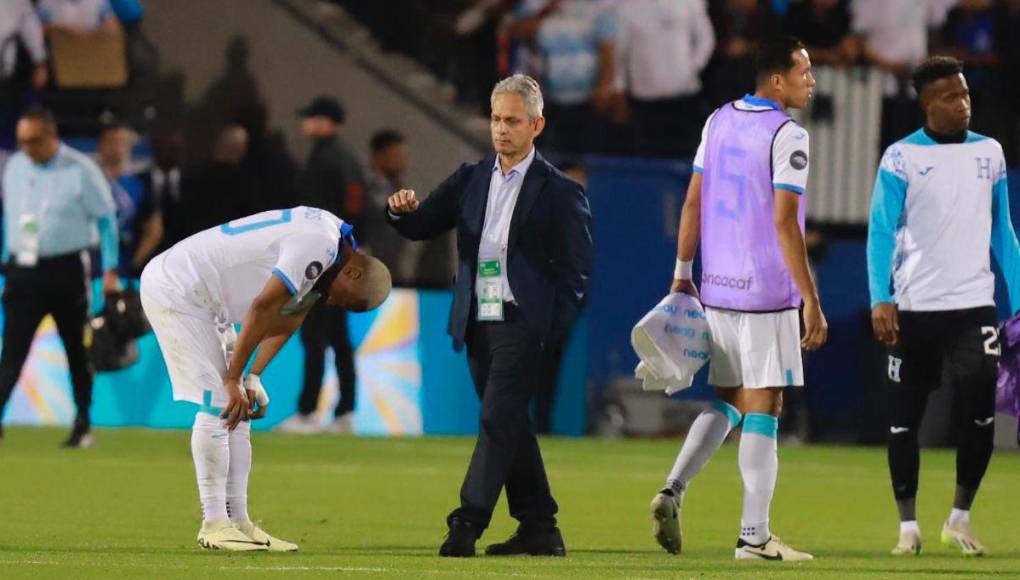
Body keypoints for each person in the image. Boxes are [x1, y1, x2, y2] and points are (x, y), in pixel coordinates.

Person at [386, 74, 592, 557]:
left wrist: (550, 330)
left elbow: (577, 271)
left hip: (524, 324)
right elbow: (422, 224)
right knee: (510, 424)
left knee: (497, 420)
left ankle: (466, 523)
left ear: (537, 124)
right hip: (478, 321)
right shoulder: (471, 177)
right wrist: (400, 210)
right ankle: (540, 527)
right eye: (496, 119)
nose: (501, 129)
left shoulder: (559, 191)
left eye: (512, 121)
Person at [650, 37, 825, 561]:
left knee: (727, 398)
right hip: (768, 292)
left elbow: (693, 201)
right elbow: (784, 223)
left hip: (720, 287)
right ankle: (755, 537)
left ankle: (673, 489)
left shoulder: (717, 121)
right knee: (765, 405)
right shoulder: (789, 134)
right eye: (805, 71)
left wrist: (683, 273)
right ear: (777, 81)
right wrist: (810, 300)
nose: (812, 81)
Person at [139, 205, 391, 551]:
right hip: (178, 288)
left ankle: (239, 522)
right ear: (355, 274)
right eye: (345, 301)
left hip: (205, 299)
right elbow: (263, 307)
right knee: (221, 402)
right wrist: (232, 377)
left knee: (241, 405)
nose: (334, 303)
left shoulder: (334, 249)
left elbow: (292, 315)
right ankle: (213, 524)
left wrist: (252, 375)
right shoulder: (320, 246)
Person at [866, 56, 1018, 557]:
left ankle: (959, 517)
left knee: (981, 417)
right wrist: (880, 297)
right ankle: (908, 527)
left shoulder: (990, 153)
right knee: (903, 419)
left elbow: (1004, 233)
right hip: (914, 307)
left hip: (974, 306)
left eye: (966, 94)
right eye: (952, 97)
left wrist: (1017, 305)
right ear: (928, 105)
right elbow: (881, 232)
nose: (963, 103)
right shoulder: (901, 158)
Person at [0, 106, 121, 446]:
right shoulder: (15, 167)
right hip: (22, 269)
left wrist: (110, 269)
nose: (27, 148)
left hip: (66, 270)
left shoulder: (80, 170)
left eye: (34, 141)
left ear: (53, 136)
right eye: (22, 141)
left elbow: (106, 220)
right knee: (12, 349)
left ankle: (82, 423)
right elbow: (11, 217)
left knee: (76, 350)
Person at [277, 95, 366, 434]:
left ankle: (309, 411)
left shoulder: (328, 160)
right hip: (338, 256)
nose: (306, 123)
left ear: (328, 122)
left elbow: (342, 207)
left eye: (312, 117)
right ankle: (344, 412)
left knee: (315, 333)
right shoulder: (341, 158)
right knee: (337, 336)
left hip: (326, 260)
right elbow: (357, 205)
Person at [613, 0, 715, 158]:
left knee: (688, 158)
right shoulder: (627, 7)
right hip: (644, 99)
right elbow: (620, 53)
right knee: (649, 160)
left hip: (685, 97)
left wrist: (691, 70)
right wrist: (619, 89)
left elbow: (706, 39)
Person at [97, 121, 162, 277]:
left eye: (122, 142)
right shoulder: (89, 182)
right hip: (94, 261)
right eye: (111, 142)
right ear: (101, 145)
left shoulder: (142, 184)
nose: (116, 147)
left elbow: (154, 230)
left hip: (127, 262)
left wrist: (135, 263)